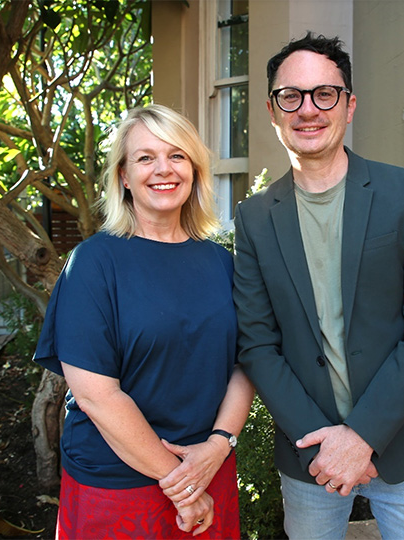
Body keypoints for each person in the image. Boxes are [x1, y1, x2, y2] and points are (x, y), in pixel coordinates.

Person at [233, 32, 404, 539]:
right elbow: (257, 344)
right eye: (290, 96)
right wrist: (326, 445)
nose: (307, 109)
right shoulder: (252, 220)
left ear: (349, 105)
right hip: (309, 452)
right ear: (273, 110)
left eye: (324, 94)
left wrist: (362, 436)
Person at [34, 104, 254, 539]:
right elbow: (97, 396)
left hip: (209, 470)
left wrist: (217, 445)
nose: (163, 169)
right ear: (122, 175)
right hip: (120, 486)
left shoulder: (221, 263)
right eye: (145, 157)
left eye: (177, 155)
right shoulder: (94, 264)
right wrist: (182, 484)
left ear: (194, 170)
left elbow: (246, 363)